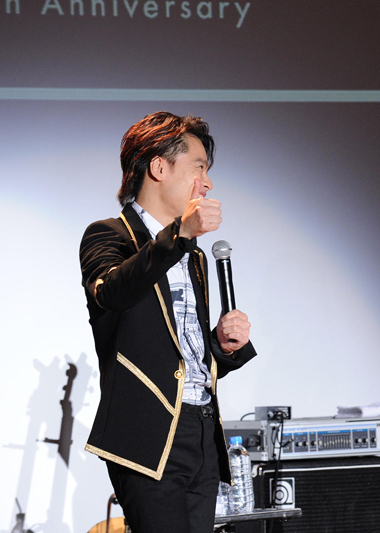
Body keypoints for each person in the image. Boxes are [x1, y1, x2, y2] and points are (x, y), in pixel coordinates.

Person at [80, 111, 258, 532]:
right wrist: (178, 234)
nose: (207, 183)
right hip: (148, 434)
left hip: (203, 429)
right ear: (159, 167)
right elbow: (113, 292)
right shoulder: (109, 236)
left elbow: (180, 352)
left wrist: (220, 346)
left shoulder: (193, 256)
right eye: (199, 167)